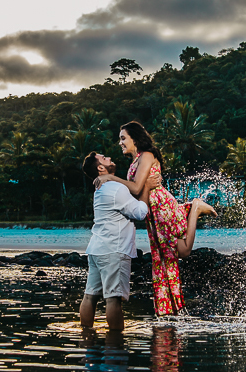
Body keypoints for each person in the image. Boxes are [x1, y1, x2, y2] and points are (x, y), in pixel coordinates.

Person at [95, 121, 216, 316]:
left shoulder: (147, 156)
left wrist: (110, 178)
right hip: (152, 214)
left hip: (161, 207)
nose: (121, 143)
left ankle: (195, 208)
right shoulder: (135, 161)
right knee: (163, 261)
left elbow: (135, 188)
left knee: (181, 252)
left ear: (135, 139)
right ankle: (171, 313)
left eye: (123, 138)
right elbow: (137, 192)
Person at [79, 152, 155, 331]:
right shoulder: (115, 188)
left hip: (97, 249)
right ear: (100, 167)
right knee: (113, 299)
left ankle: (86, 337)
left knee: (90, 296)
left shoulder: (102, 188)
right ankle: (115, 345)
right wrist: (147, 188)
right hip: (114, 250)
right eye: (104, 158)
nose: (108, 157)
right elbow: (139, 212)